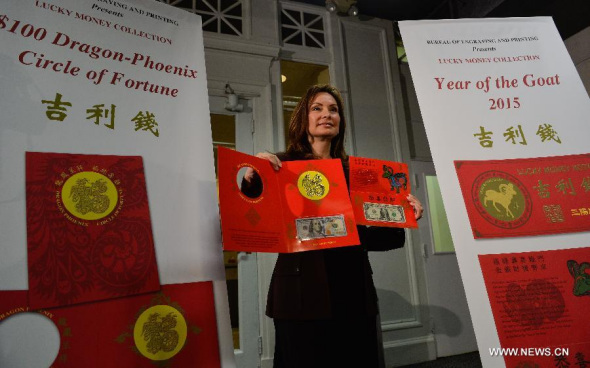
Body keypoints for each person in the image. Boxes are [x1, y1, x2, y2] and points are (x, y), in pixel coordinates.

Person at [242, 84, 423, 368]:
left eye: (333, 109)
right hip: (301, 292)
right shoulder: (281, 164)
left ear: (340, 121)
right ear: (304, 118)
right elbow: (253, 214)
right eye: (317, 108)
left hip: (352, 289)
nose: (327, 114)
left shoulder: (359, 173)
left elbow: (380, 240)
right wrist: (254, 176)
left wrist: (404, 214)